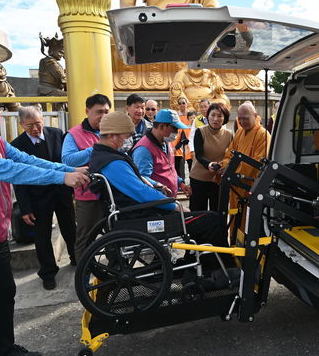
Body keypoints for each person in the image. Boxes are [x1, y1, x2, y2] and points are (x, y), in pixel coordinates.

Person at [0, 81, 89, 356]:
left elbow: (28, 159)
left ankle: (6, 351)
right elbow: (10, 170)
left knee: (4, 295)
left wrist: (68, 168)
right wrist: (62, 178)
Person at [88, 112, 227, 252]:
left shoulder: (106, 156)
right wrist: (174, 205)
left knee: (203, 218)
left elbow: (147, 178)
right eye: (125, 137)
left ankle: (197, 261)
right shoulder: (114, 163)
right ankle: (215, 265)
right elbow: (141, 191)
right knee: (211, 219)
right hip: (142, 216)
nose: (127, 141)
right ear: (113, 136)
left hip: (142, 212)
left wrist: (171, 184)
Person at [11, 106, 77, 290]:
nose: (35, 128)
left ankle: (76, 259)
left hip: (62, 193)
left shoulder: (57, 134)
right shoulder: (17, 146)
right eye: (30, 125)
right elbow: (19, 178)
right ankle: (48, 272)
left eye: (38, 123)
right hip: (37, 198)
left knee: (70, 228)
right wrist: (25, 208)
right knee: (42, 237)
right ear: (22, 124)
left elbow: (65, 161)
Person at [62, 93, 110, 261]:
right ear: (87, 111)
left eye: (106, 112)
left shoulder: (111, 131)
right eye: (99, 112)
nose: (103, 116)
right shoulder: (74, 134)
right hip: (87, 195)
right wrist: (95, 148)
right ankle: (83, 275)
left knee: (113, 233)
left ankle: (114, 271)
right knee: (85, 237)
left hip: (110, 194)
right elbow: (67, 160)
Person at [220, 102, 270, 238]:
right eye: (240, 118)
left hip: (249, 186)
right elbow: (229, 153)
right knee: (234, 218)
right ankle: (233, 247)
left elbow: (258, 163)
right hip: (234, 185)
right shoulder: (239, 132)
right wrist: (225, 165)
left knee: (247, 224)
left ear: (255, 116)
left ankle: (243, 251)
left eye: (245, 118)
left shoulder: (263, 135)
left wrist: (232, 171)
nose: (242, 122)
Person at [131, 109, 192, 198]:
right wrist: (159, 186)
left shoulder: (166, 141)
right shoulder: (144, 149)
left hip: (169, 199)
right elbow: (142, 178)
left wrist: (180, 182)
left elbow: (170, 168)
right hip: (156, 201)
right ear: (162, 126)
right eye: (174, 129)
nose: (176, 132)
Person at [189, 103, 232, 211]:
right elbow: (199, 155)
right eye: (213, 115)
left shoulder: (229, 134)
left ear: (225, 118)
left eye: (219, 116)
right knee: (198, 213)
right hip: (199, 177)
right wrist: (209, 164)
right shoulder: (200, 131)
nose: (215, 119)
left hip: (218, 178)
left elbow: (230, 155)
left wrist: (223, 166)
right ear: (208, 116)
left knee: (217, 212)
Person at [173, 97, 192, 180]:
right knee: (178, 165)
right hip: (178, 143)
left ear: (187, 104)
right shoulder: (176, 116)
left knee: (191, 164)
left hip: (189, 142)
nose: (182, 105)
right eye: (180, 103)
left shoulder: (191, 115)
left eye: (183, 103)